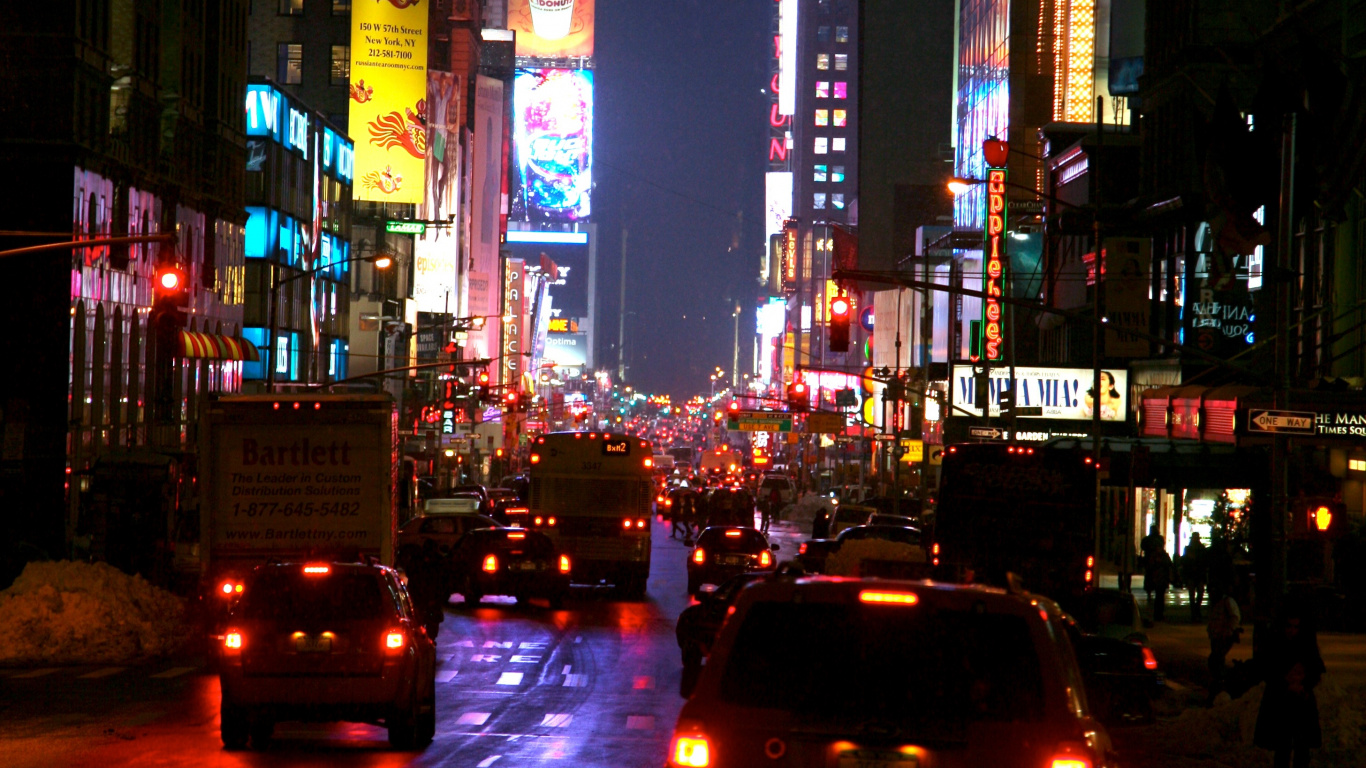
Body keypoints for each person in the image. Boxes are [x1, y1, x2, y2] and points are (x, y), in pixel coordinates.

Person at [1254, 607, 1326, 768]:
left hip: (1301, 701)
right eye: (1289, 626)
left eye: (1296, 627)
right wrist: (1285, 682)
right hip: (1281, 702)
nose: (1292, 631)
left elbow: (1316, 670)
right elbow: (1267, 671)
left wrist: (1303, 685)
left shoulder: (1306, 646)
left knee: (1302, 746)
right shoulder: (1275, 645)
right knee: (1283, 746)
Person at [1206, 586, 1242, 705]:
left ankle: (1221, 683)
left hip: (1224, 636)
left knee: (1216, 659)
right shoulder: (1217, 604)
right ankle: (1219, 683)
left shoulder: (1227, 602)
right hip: (1216, 636)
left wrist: (1229, 631)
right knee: (1216, 660)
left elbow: (1235, 617)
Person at [1184, 532, 1210, 621]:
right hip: (1195, 574)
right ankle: (1195, 610)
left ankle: (1195, 610)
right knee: (1196, 593)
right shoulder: (1199, 549)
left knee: (1197, 593)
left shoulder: (1199, 549)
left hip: (1196, 574)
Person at [1140, 525, 1166, 604]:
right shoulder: (1160, 539)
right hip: (1157, 561)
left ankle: (1149, 593)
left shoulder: (1147, 539)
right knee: (1156, 577)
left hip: (1149, 561)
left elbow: (1143, 547)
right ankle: (1156, 593)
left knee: (1149, 576)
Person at [1148, 548, 1173, 621]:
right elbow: (1169, 565)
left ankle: (1158, 614)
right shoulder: (1163, 556)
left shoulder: (1155, 556)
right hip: (1161, 578)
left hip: (1159, 578)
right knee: (1160, 596)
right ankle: (1159, 614)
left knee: (1159, 596)